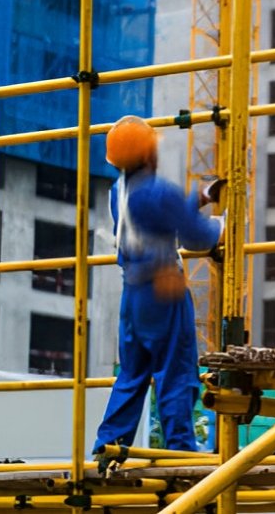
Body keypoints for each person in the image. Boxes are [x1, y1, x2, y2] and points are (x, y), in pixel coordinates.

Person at [94, 116, 224, 453]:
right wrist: (222, 226)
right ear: (149, 153)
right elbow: (196, 238)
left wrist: (194, 201)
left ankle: (109, 445)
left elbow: (153, 218)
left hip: (133, 293)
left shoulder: (118, 192)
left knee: (132, 373)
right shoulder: (160, 192)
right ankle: (181, 448)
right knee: (175, 370)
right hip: (163, 289)